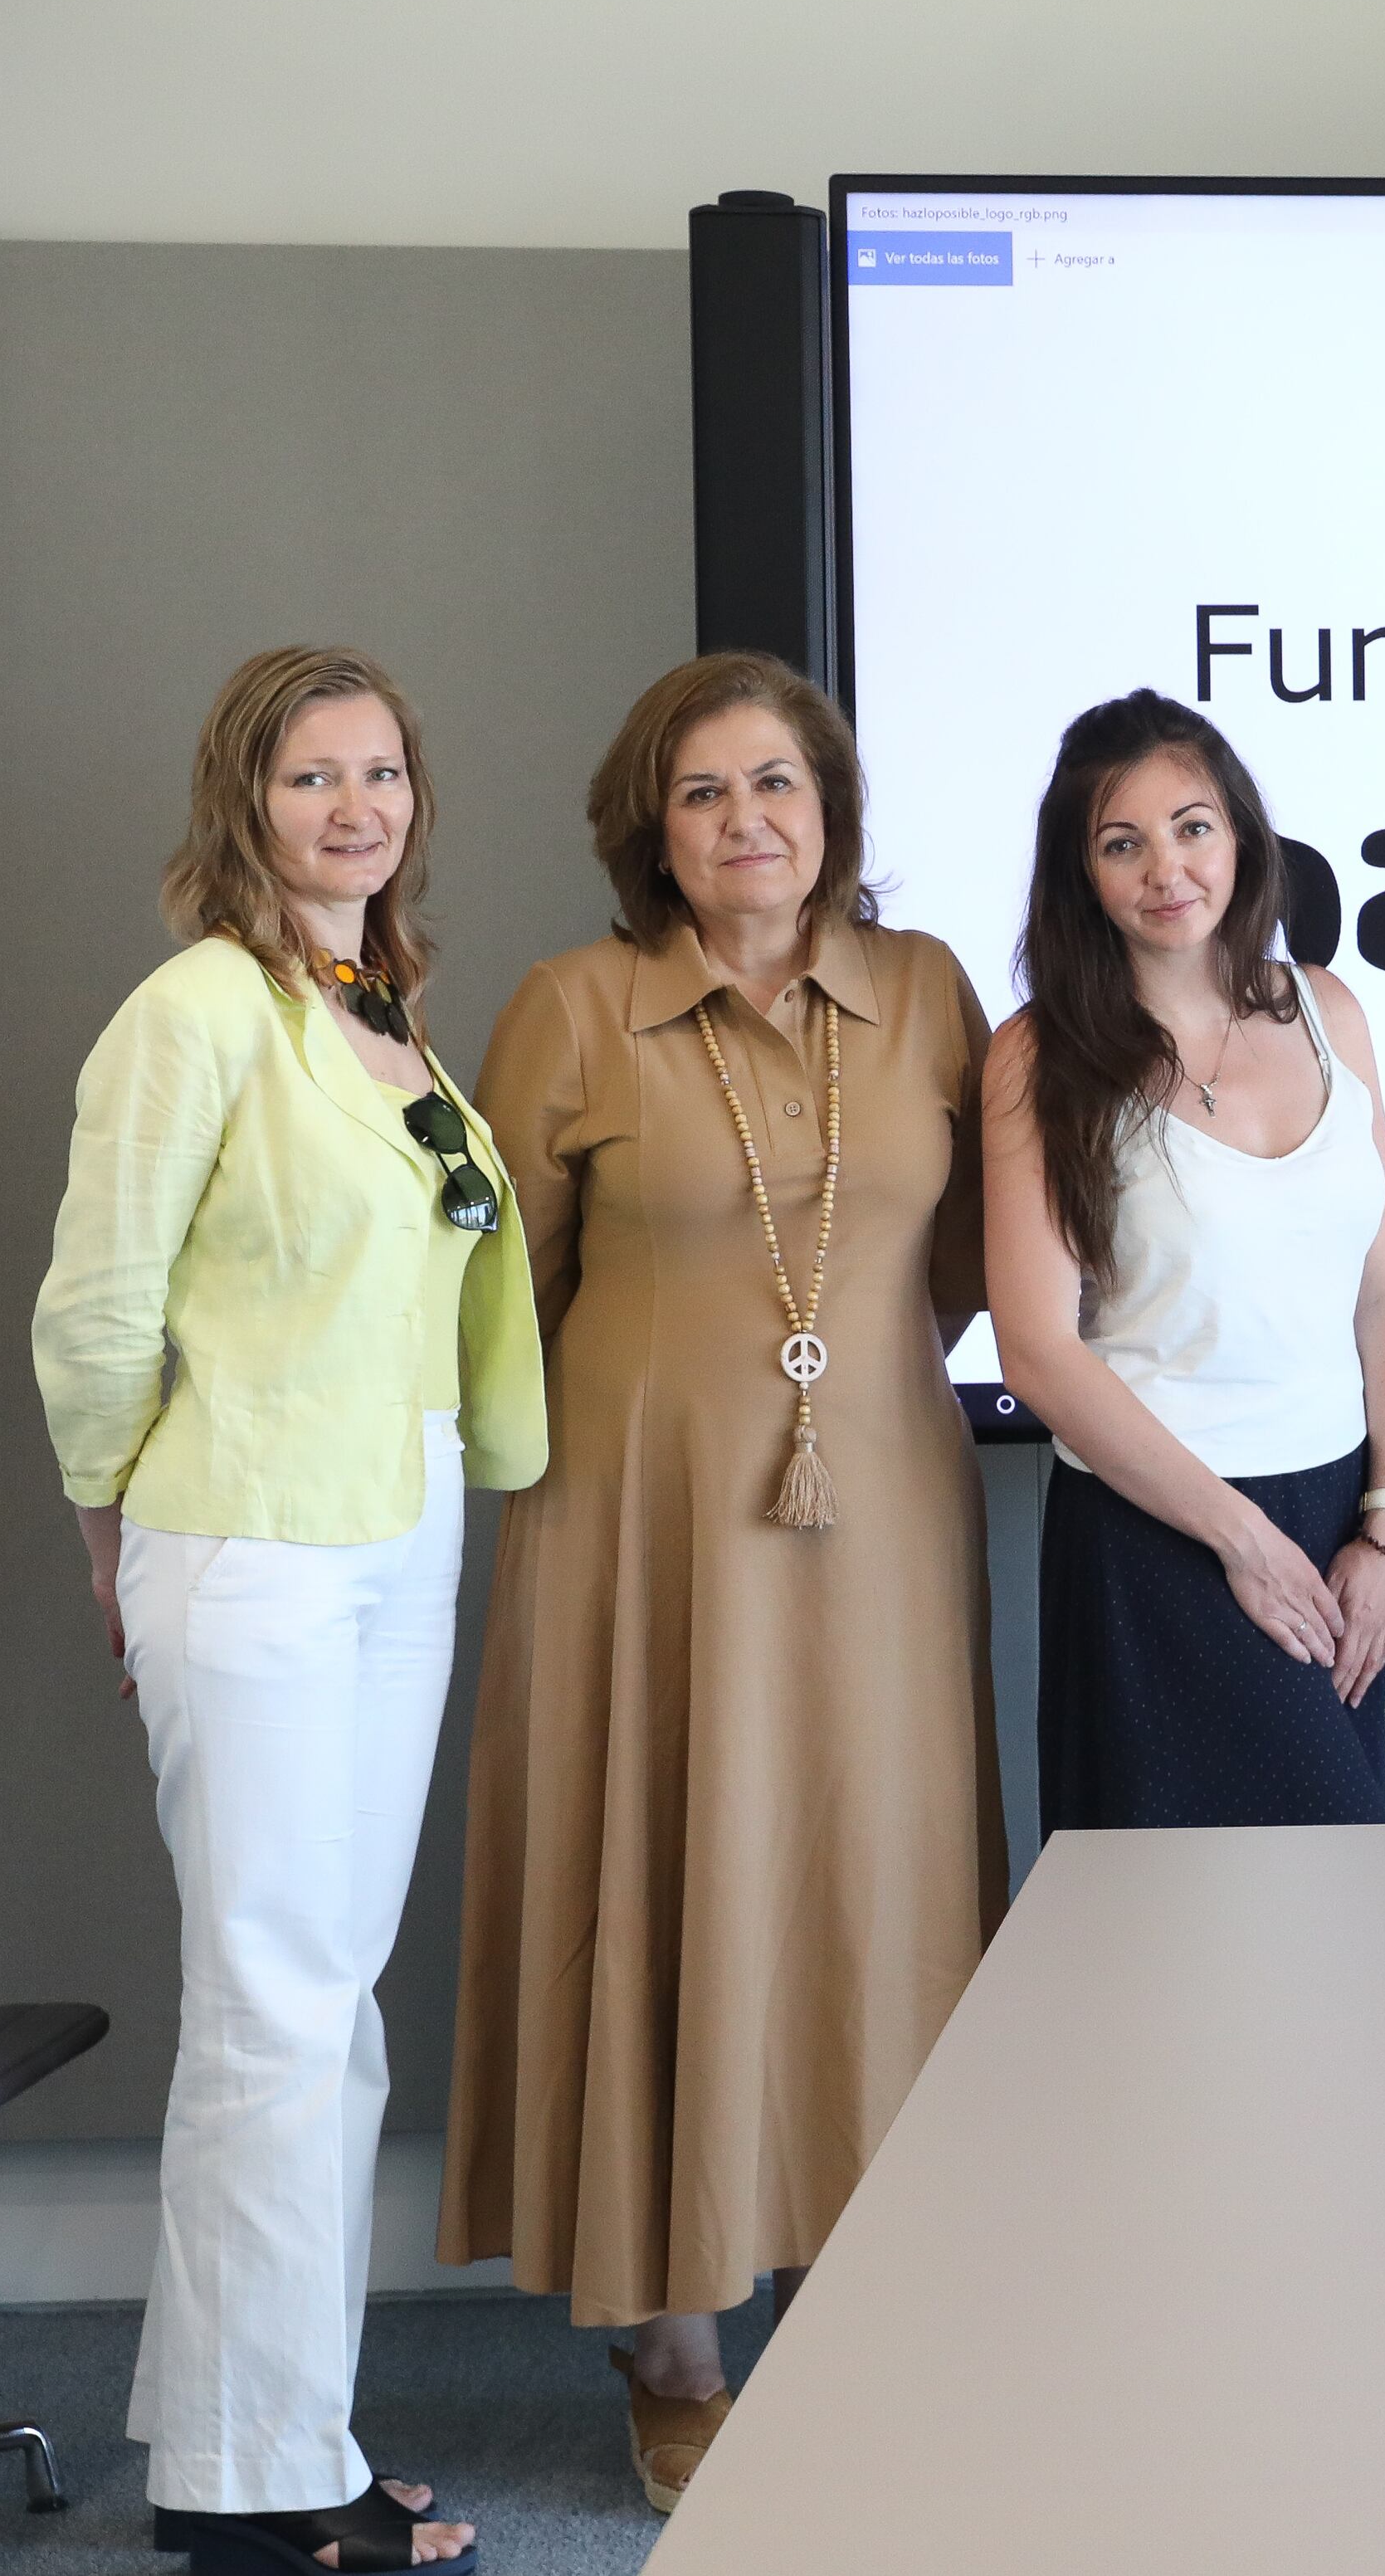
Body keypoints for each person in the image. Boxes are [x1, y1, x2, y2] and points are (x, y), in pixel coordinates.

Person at [436, 651, 1003, 2511]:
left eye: (776, 784)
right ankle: (672, 2347)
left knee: (875, 1892)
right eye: (702, 793)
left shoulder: (927, 992)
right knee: (662, 1876)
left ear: (832, 811)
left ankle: (877, 2312)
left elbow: (967, 1263)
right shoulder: (571, 1007)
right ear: (650, 832)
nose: (745, 820)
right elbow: (496, 1303)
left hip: (881, 1522)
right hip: (641, 1529)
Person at [35, 646, 544, 2574]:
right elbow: (100, 1305)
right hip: (248, 1538)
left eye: (382, 772)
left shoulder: (378, 1013)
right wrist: (109, 1527)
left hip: (394, 1532)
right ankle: (263, 2493)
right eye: (312, 774)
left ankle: (248, 2440)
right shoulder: (195, 1010)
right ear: (242, 800)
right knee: (274, 2007)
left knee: (322, 2015)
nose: (356, 807)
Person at [988, 690, 1385, 1827]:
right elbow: (1036, 1351)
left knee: (1337, 1895)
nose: (1166, 869)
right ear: (1081, 873)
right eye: (1121, 843)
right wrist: (1241, 1540)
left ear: (1240, 835)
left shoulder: (1329, 1010)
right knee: (1179, 1909)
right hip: (1154, 1533)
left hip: (1332, 1515)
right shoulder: (1039, 1057)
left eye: (1192, 827)